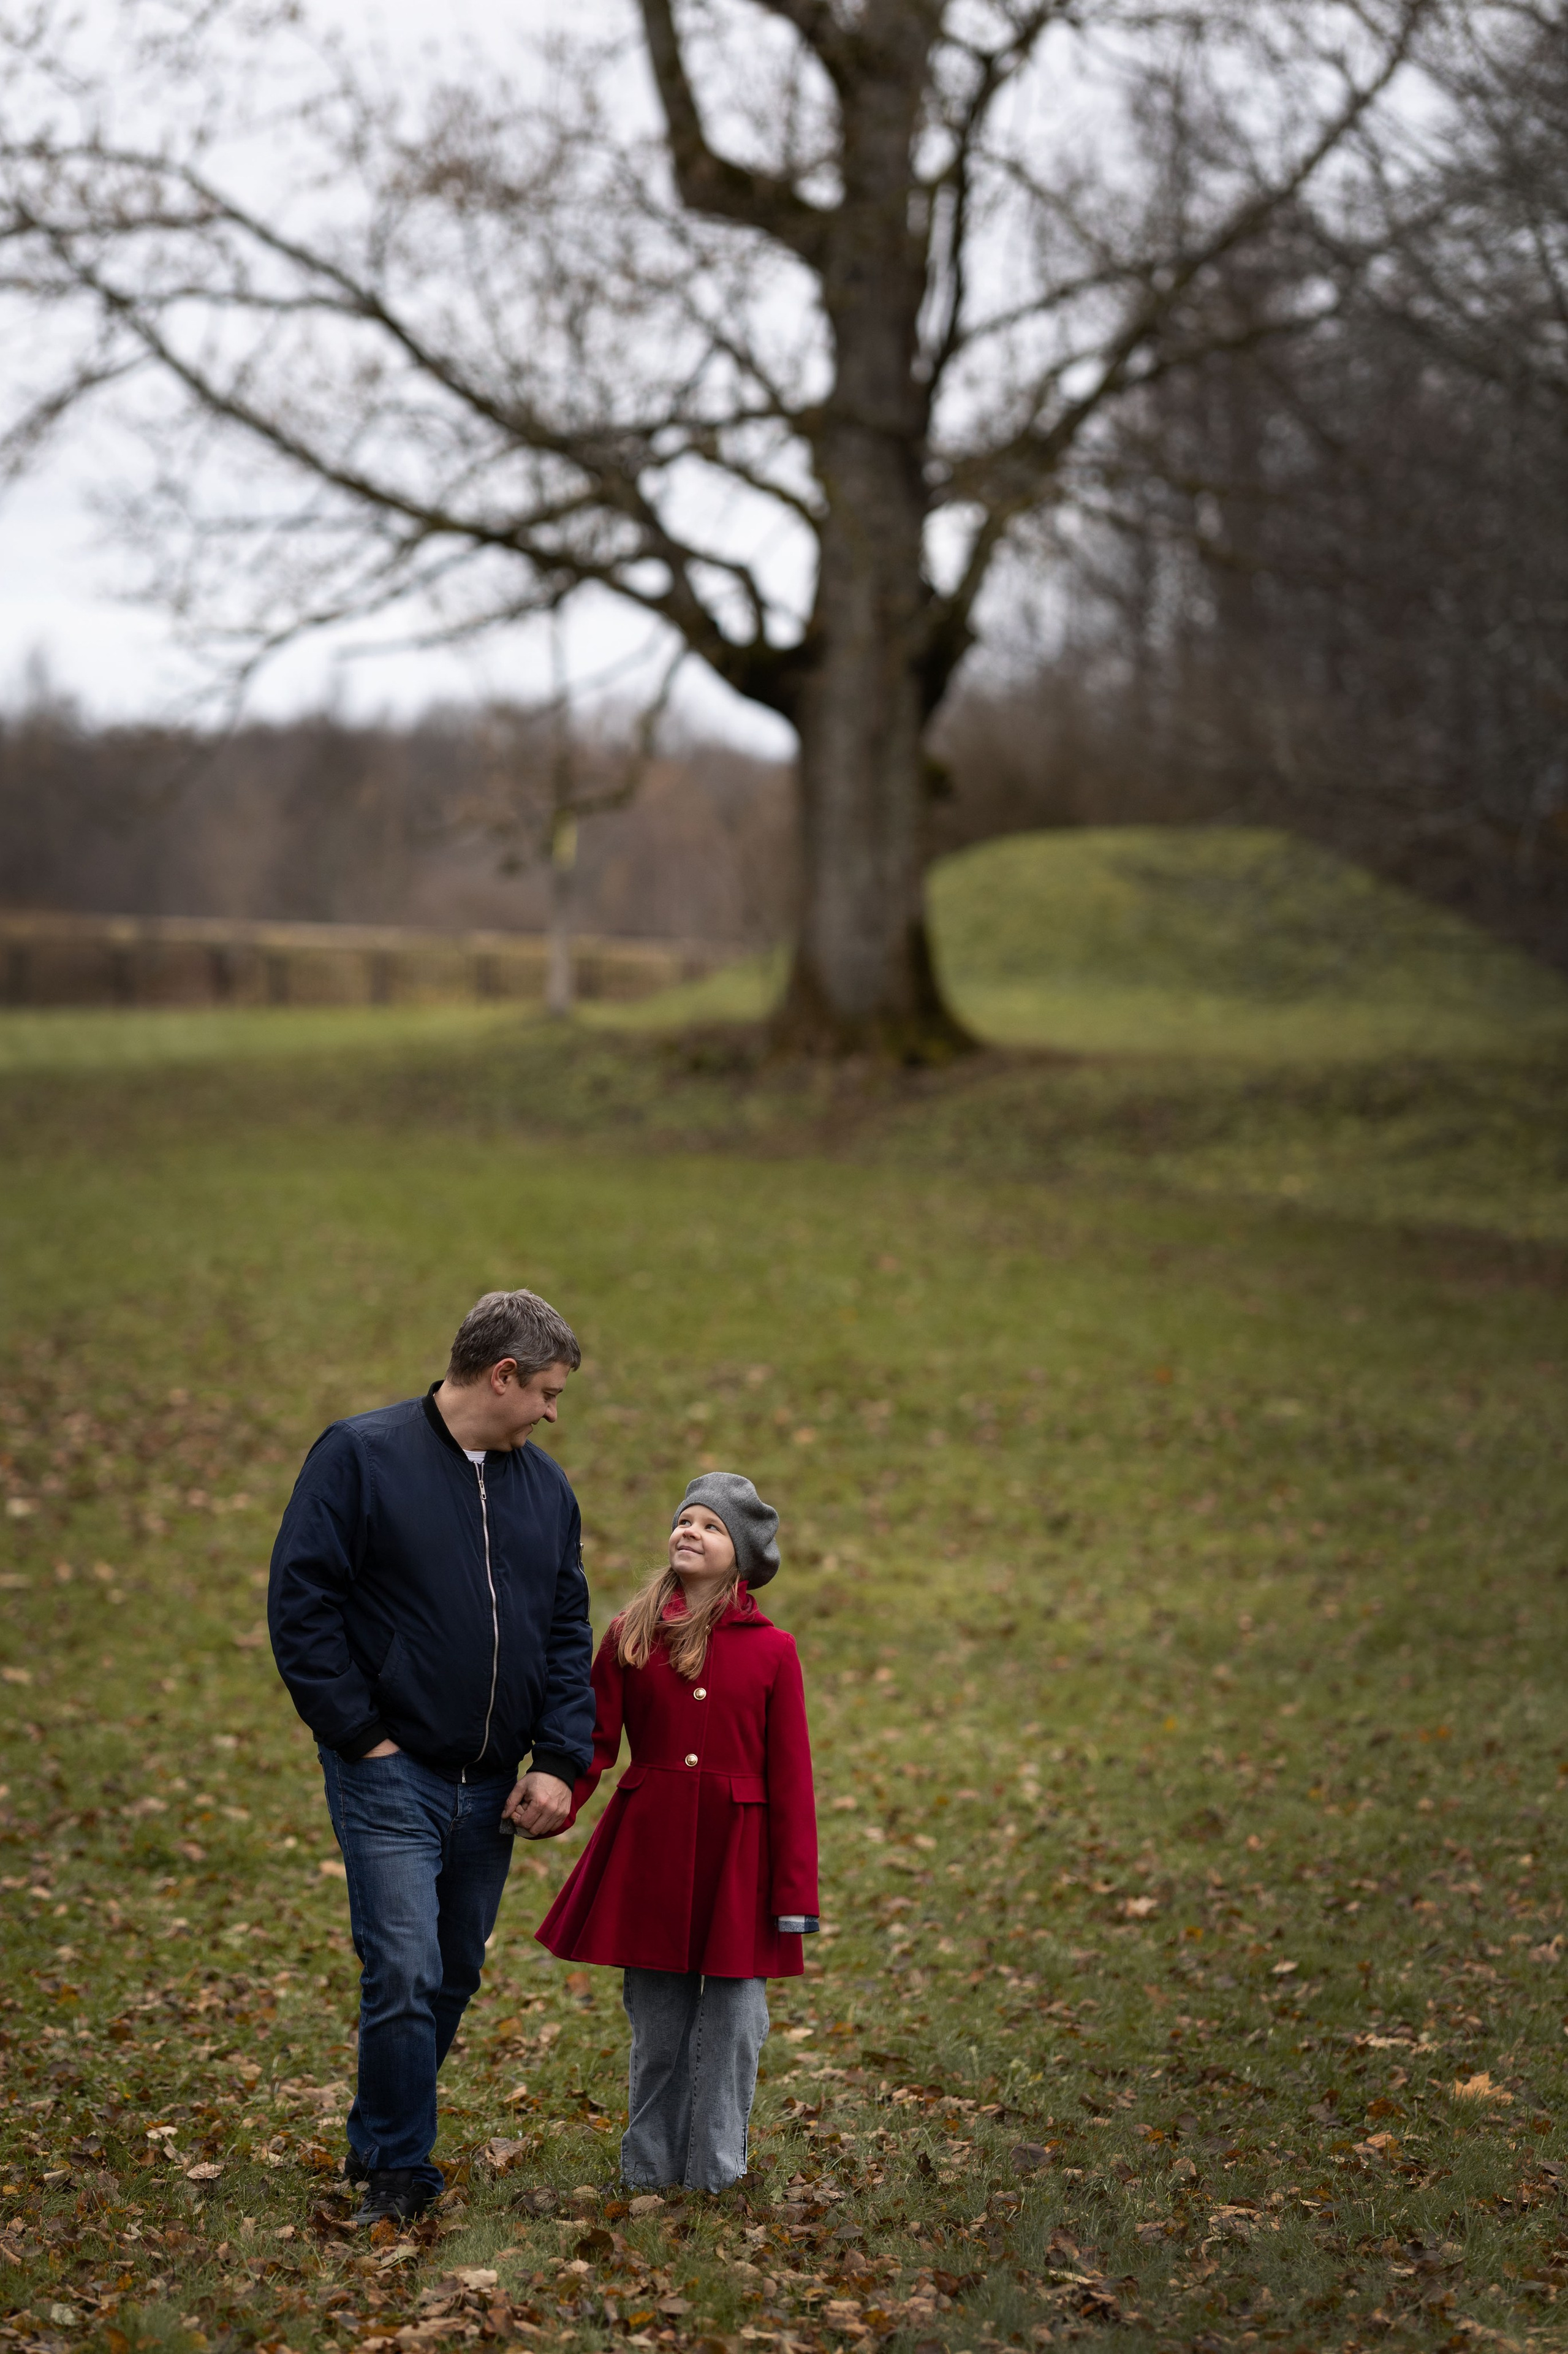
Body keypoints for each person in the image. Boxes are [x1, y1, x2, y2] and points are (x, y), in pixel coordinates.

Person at [268, 1288, 595, 2227]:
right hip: (389, 1773)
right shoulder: (360, 1456)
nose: (551, 1413)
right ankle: (397, 2166)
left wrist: (558, 1759)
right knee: (404, 1969)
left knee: (450, 1974)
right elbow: (301, 1603)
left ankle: (380, 2132)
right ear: (502, 1376)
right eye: (546, 1393)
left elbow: (565, 1631)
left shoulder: (546, 1490)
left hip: (493, 1786)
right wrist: (359, 1736)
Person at [537, 1472, 817, 2194]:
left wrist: (794, 1894)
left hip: (740, 1858)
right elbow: (593, 1740)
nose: (691, 1531)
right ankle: (649, 2170)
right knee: (659, 2027)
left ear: (742, 1556)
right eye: (685, 1520)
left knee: (734, 2025)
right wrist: (556, 1798)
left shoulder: (773, 1650)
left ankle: (717, 2175)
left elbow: (791, 1777)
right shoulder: (631, 1633)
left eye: (712, 1526)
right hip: (651, 1847)